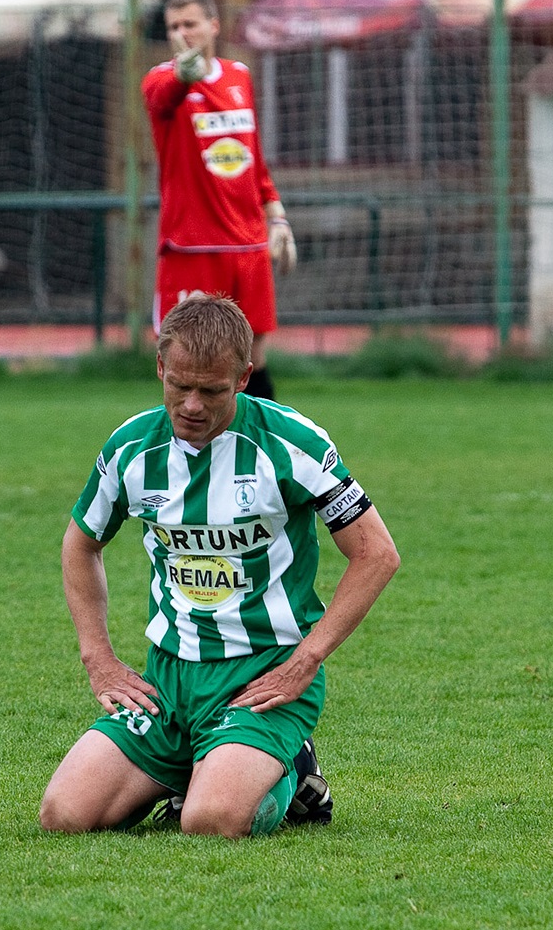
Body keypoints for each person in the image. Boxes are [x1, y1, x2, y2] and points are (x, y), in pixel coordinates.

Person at [40, 294, 400, 839]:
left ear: (245, 377)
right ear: (160, 367)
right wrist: (100, 657)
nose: (191, 404)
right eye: (179, 385)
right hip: (167, 682)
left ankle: (293, 771)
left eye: (211, 390)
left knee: (209, 822)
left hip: (262, 678)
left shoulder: (292, 444)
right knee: (63, 816)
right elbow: (79, 543)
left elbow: (376, 553)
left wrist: (308, 659)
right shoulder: (131, 448)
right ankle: (202, 762)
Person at [142, 0, 296, 401]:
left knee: (253, 353)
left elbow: (253, 159)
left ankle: (264, 446)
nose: (181, 33)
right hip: (192, 247)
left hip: (247, 242)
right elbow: (163, 95)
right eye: (173, 26)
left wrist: (277, 216)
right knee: (188, 354)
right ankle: (184, 452)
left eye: (189, 24)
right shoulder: (161, 78)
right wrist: (182, 73)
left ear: (214, 26)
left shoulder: (239, 76)